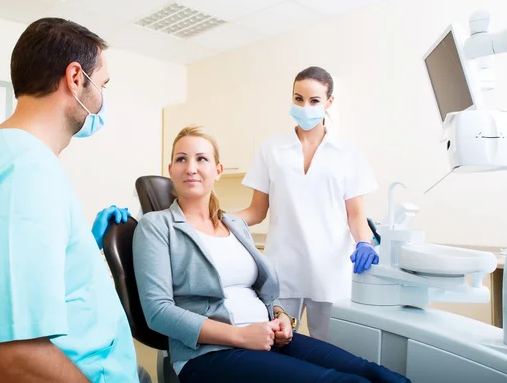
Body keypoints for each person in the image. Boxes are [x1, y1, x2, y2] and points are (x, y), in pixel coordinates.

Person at [0, 18, 139, 382]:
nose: (102, 98)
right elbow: (12, 360)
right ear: (76, 78)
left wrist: (83, 246)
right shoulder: (23, 175)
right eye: (103, 84)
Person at [132, 126, 409, 383]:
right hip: (209, 353)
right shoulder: (156, 226)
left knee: (375, 373)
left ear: (218, 170)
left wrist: (281, 319)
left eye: (201, 159)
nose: (191, 168)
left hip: (269, 338)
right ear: (170, 169)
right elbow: (158, 312)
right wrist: (240, 336)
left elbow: (260, 292)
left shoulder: (234, 225)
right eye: (181, 159)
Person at [236, 66, 379, 341]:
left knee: (330, 352)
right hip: (282, 271)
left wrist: (364, 242)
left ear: (329, 102)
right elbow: (256, 211)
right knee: (277, 347)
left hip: (330, 273)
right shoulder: (271, 149)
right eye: (298, 98)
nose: (305, 106)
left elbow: (356, 215)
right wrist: (213, 219)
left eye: (314, 101)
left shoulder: (348, 152)